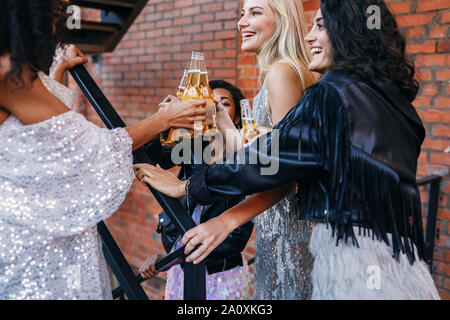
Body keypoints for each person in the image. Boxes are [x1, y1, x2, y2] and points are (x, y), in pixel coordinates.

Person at [135, 0, 441, 300]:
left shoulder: (330, 94)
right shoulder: (398, 106)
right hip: (406, 266)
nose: (309, 36)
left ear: (348, 31)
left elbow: (274, 159)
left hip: (351, 265)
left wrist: (188, 186)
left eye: (320, 26)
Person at [0, 0, 206, 300]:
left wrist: (57, 71)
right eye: (55, 9)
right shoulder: (8, 70)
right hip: (40, 245)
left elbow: (40, 124)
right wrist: (165, 119)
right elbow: (87, 148)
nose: (59, 18)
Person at [137, 0, 316, 300]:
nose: (242, 22)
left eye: (255, 12)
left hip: (287, 232)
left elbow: (286, 172)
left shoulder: (280, 73)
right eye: (242, 13)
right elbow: (264, 161)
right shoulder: (279, 74)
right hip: (274, 230)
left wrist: (222, 218)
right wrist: (222, 123)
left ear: (282, 19)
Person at [139, 80, 254, 300]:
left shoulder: (244, 158)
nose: (214, 107)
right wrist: (164, 121)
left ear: (236, 117)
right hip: (182, 270)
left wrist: (178, 256)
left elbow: (236, 237)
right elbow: (149, 157)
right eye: (209, 103)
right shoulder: (192, 147)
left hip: (222, 274)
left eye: (224, 103)